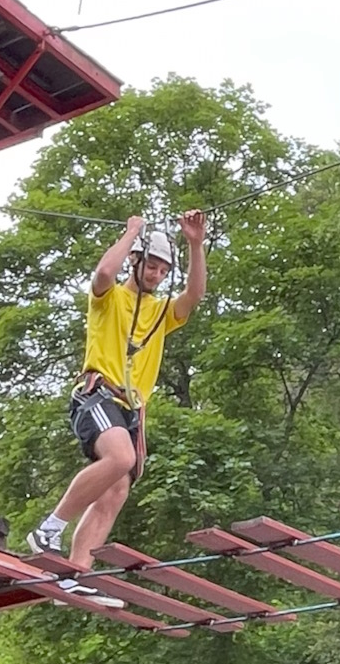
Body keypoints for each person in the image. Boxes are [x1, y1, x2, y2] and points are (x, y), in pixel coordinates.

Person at [27, 210, 207, 606]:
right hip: (98, 393)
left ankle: (75, 576)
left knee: (117, 489)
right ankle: (49, 528)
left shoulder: (161, 312)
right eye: (151, 265)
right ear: (137, 261)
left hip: (130, 408)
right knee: (121, 457)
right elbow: (104, 274)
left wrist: (195, 243)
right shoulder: (109, 300)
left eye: (163, 270)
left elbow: (194, 295)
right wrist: (132, 233)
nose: (156, 275)